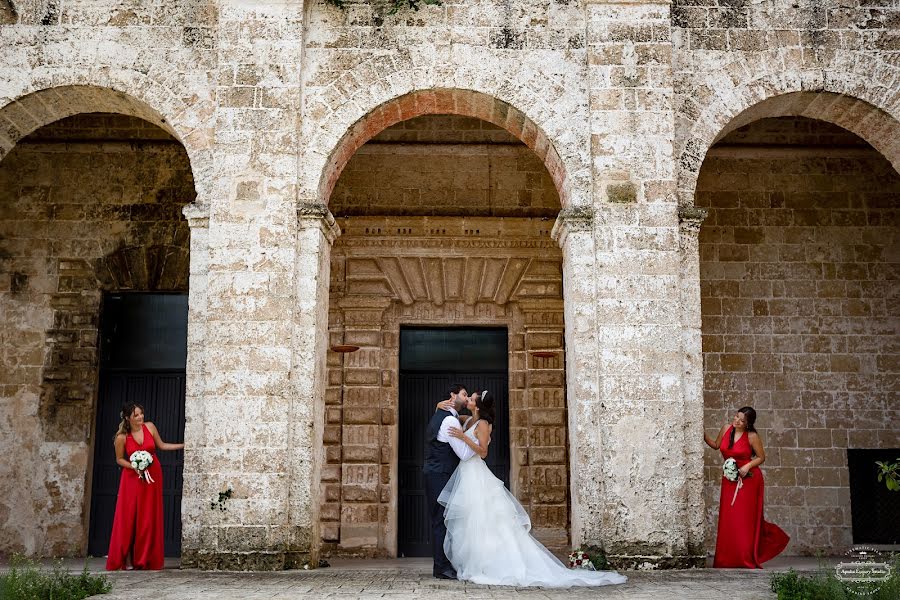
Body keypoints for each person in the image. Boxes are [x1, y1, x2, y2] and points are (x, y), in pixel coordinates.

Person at [434, 391, 627, 587]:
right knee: (471, 520)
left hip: (476, 472)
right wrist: (440, 405)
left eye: (471, 398)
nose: (467, 399)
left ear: (477, 405)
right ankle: (472, 561)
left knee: (484, 518)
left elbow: (483, 452)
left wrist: (462, 438)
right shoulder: (467, 420)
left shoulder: (483, 424)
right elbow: (452, 417)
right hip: (465, 473)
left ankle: (491, 565)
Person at [704, 406, 789, 568]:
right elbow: (716, 445)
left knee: (744, 520)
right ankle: (726, 559)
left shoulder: (752, 436)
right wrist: (702, 434)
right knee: (729, 519)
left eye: (741, 420)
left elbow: (761, 457)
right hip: (729, 479)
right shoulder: (726, 428)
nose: (737, 421)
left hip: (748, 480)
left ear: (748, 424)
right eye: (736, 417)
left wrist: (747, 466)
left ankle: (744, 558)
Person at [106, 402, 184, 570]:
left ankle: (145, 558)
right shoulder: (121, 438)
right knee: (129, 517)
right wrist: (134, 466)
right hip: (132, 479)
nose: (140, 417)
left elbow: (162, 445)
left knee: (148, 516)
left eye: (141, 413)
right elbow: (119, 459)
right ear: (128, 418)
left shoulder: (150, 427)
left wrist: (184, 446)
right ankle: (126, 558)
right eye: (136, 415)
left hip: (153, 476)